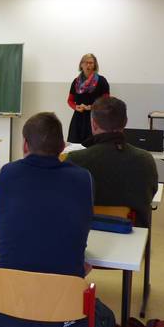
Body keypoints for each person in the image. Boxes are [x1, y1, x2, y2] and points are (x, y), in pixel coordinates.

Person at [0, 112, 115, 327]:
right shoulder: (83, 179)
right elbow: (80, 228)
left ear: (25, 144)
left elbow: (3, 231)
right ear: (63, 146)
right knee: (105, 316)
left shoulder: (5, 174)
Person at [66, 96, 158, 228]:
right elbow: (150, 194)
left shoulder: (74, 160)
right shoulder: (145, 160)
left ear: (93, 124)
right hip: (133, 238)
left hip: (87, 236)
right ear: (125, 122)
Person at [67, 53, 110, 143]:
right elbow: (70, 100)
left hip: (95, 119)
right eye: (86, 62)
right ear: (81, 65)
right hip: (78, 119)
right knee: (75, 146)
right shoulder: (75, 82)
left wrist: (93, 107)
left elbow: (106, 101)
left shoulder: (102, 81)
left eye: (91, 63)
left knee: (93, 147)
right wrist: (76, 107)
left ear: (95, 65)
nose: (88, 65)